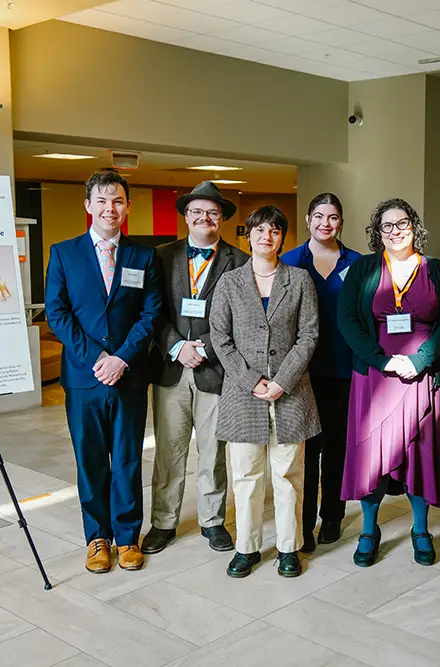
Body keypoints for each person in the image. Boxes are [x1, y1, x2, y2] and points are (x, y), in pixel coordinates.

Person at [45, 168, 162, 573]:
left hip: (128, 375)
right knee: (91, 460)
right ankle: (98, 538)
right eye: (102, 200)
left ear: (127, 207)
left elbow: (151, 312)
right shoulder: (64, 253)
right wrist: (98, 359)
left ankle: (128, 538)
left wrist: (122, 357)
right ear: (88, 205)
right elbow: (57, 314)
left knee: (128, 458)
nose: (110, 208)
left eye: (117, 201)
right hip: (84, 377)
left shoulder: (144, 256)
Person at [338, 198, 440, 567]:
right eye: (387, 225)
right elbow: (347, 319)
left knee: (419, 454)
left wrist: (420, 360)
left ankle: (421, 530)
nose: (395, 230)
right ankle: (369, 530)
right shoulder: (363, 268)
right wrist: (382, 359)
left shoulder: (436, 269)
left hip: (420, 377)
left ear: (414, 226)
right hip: (375, 376)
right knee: (372, 456)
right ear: (378, 232)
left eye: (402, 223)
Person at [209, 206, 321, 578]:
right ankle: (247, 547)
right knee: (245, 476)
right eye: (259, 230)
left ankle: (290, 547)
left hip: (291, 394)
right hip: (243, 396)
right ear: (249, 235)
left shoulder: (300, 280)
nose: (265, 236)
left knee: (289, 476)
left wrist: (282, 380)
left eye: (274, 230)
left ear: (282, 237)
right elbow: (220, 339)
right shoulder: (229, 282)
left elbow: (309, 335)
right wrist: (251, 379)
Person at [142, 181, 248, 555]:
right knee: (169, 451)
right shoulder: (161, 256)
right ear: (186, 216)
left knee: (212, 451)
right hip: (172, 368)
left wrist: (207, 348)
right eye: (198, 212)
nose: (205, 218)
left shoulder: (239, 262)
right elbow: (152, 312)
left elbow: (242, 319)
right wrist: (176, 346)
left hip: (215, 370)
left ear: (221, 219)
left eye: (213, 213)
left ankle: (212, 521)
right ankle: (163, 521)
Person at [281, 193, 361, 552]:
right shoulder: (289, 262)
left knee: (338, 449)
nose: (325, 224)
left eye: (332, 218)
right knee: (307, 449)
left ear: (341, 222)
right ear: (308, 220)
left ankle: (332, 515)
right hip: (303, 373)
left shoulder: (358, 263)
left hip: (346, 370)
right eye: (318, 216)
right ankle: (304, 519)